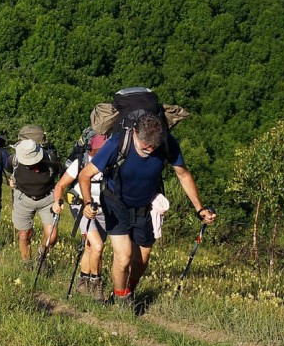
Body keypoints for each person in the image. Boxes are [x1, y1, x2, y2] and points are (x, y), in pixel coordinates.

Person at [77, 114, 216, 307]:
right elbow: (85, 175)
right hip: (115, 203)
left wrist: (199, 208)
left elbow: (183, 175)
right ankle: (121, 300)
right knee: (124, 257)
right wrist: (87, 202)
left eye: (154, 147)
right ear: (134, 133)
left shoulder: (167, 143)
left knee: (141, 261)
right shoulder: (117, 143)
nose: (150, 150)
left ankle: (128, 291)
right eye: (145, 146)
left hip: (144, 205)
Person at [52, 132, 109, 299]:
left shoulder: (112, 164)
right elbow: (60, 186)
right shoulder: (81, 163)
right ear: (93, 150)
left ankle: (82, 281)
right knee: (98, 246)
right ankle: (95, 284)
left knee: (91, 247)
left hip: (103, 209)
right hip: (80, 207)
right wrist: (57, 201)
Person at [8, 128, 61, 266]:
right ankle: (27, 263)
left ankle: (41, 254)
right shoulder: (13, 160)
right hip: (23, 199)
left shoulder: (51, 160)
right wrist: (12, 181)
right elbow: (9, 171)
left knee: (52, 236)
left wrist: (59, 197)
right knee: (24, 234)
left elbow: (63, 178)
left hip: (47, 199)